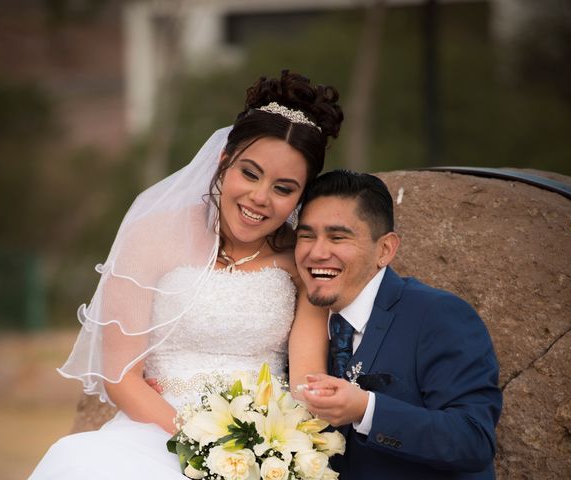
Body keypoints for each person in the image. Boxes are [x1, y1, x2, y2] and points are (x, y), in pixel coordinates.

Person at [30, 70, 343, 479]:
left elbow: (303, 381)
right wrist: (206, 449)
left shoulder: (299, 260)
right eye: (249, 173)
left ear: (301, 196)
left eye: (283, 189)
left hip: (262, 448)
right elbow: (121, 378)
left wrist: (269, 451)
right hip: (154, 434)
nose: (259, 198)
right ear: (224, 161)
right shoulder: (153, 235)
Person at [295, 170, 502, 479]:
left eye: (338, 237)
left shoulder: (438, 314)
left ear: (385, 250)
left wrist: (367, 411)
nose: (317, 252)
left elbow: (473, 440)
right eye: (306, 236)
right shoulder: (298, 324)